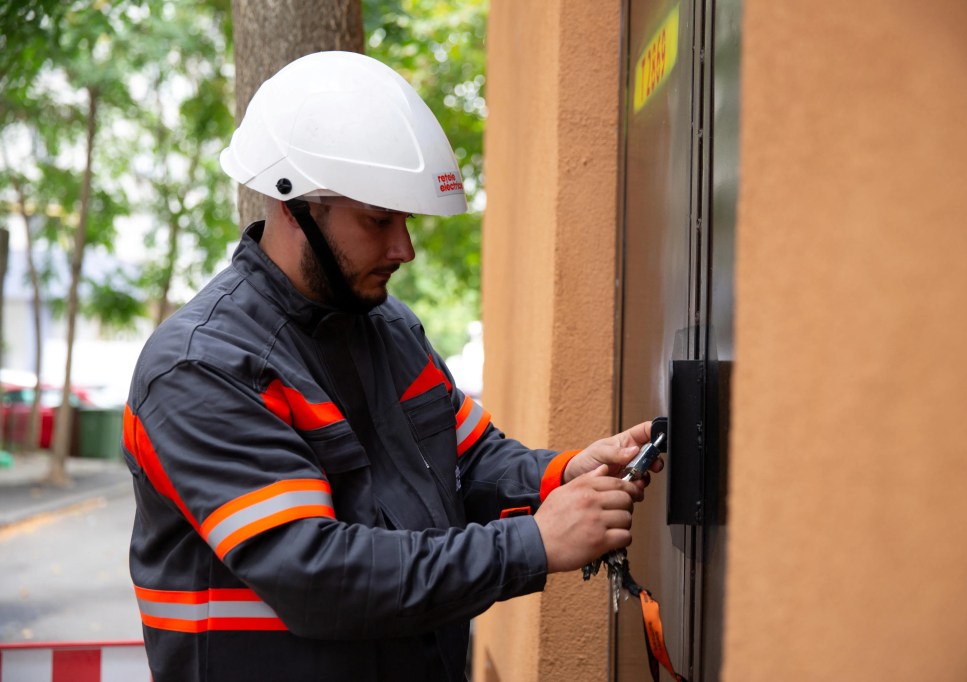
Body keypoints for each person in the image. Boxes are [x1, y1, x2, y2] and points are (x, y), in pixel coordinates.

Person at [122, 51, 661, 682]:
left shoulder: (389, 329)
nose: (402, 247)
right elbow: (315, 575)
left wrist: (564, 474)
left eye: (404, 220)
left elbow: (469, 462)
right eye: (378, 220)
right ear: (294, 208)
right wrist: (533, 544)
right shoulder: (204, 368)